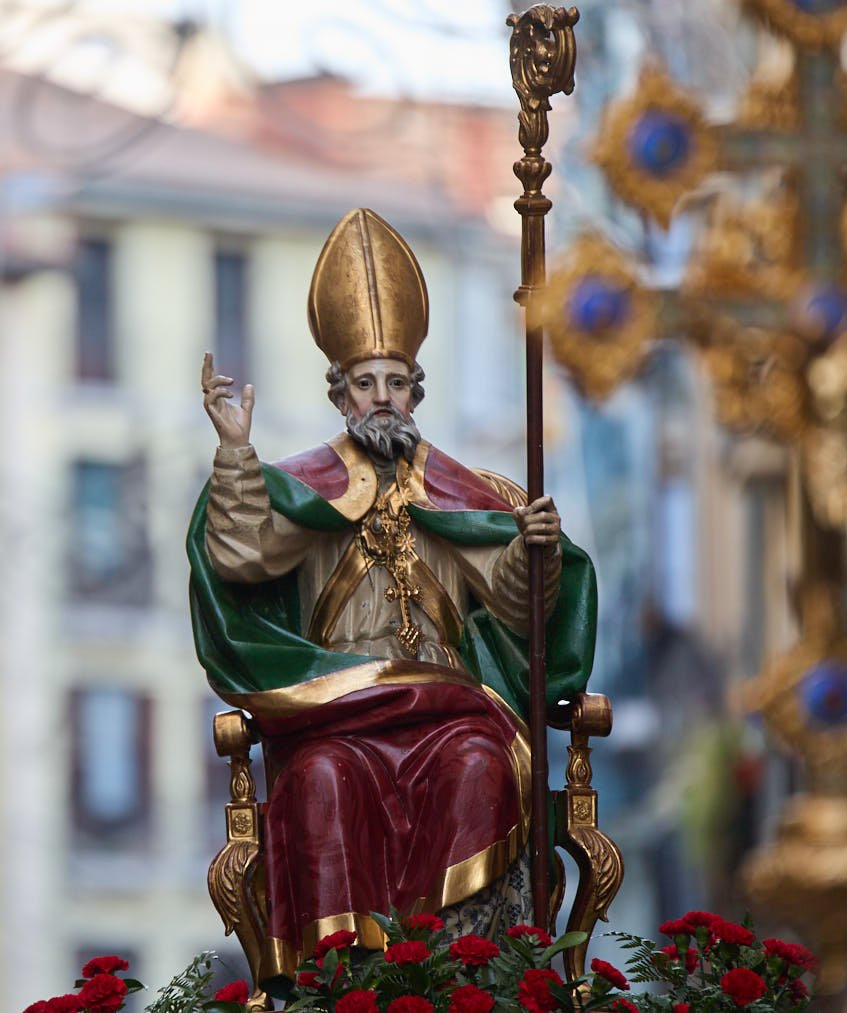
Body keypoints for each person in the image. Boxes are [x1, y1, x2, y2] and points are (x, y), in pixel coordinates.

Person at [187, 208, 597, 984]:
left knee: (482, 763)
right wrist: (236, 450)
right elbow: (242, 555)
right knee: (320, 780)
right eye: (366, 383)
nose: (382, 398)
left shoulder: (463, 492)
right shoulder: (302, 489)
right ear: (340, 394)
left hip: (449, 711)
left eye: (395, 383)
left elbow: (511, 607)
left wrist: (533, 554)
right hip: (342, 712)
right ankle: (342, 980)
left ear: (416, 392)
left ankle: (464, 971)